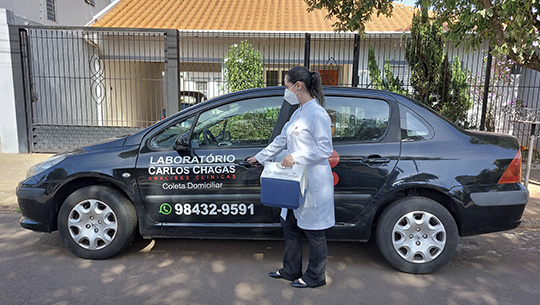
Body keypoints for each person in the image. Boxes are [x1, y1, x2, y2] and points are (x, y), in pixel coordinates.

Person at [247, 66, 335, 288]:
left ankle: (315, 277)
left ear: (299, 86)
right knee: (290, 226)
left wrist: (296, 157)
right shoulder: (298, 112)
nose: (285, 90)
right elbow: (280, 141)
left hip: (313, 183)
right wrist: (258, 157)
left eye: (287, 86)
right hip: (293, 181)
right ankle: (290, 270)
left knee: (314, 232)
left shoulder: (318, 114)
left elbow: (325, 149)